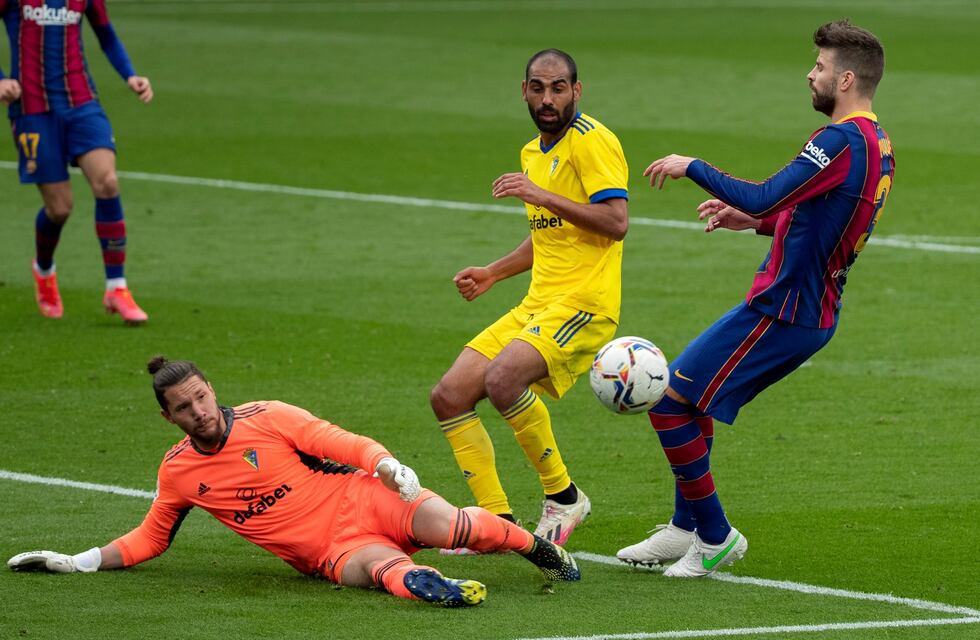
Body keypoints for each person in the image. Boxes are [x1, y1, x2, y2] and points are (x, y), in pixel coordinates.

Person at [616, 19, 894, 577]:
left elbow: (770, 192)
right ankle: (684, 527)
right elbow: (827, 218)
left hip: (787, 310)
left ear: (844, 80)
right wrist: (757, 225)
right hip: (802, 306)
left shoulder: (837, 141)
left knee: (669, 401)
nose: (808, 75)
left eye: (817, 67)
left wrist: (691, 166)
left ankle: (715, 534)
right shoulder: (876, 142)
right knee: (693, 399)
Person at [7, 357, 580, 607]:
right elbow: (150, 539)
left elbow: (343, 444)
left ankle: (540, 549)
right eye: (185, 408)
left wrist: (385, 465)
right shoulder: (179, 471)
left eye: (202, 397)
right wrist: (76, 560)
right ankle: (435, 586)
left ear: (212, 389)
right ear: (170, 417)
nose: (200, 411)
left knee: (452, 524)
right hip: (331, 549)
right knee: (378, 573)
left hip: (367, 496)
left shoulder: (268, 417)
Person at [430, 49, 629, 548]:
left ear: (576, 91)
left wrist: (542, 196)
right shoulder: (532, 153)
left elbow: (615, 222)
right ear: (524, 91)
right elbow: (549, 235)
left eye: (558, 87)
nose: (547, 98)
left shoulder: (593, 143)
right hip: (538, 302)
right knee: (449, 395)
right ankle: (494, 522)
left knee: (502, 379)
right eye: (538, 88)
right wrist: (493, 272)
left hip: (585, 304)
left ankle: (563, 498)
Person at [0, 0, 152, 323]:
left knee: (107, 182)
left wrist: (130, 75)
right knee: (60, 208)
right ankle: (44, 269)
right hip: (33, 109)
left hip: (82, 103)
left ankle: (117, 287)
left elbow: (106, 34)